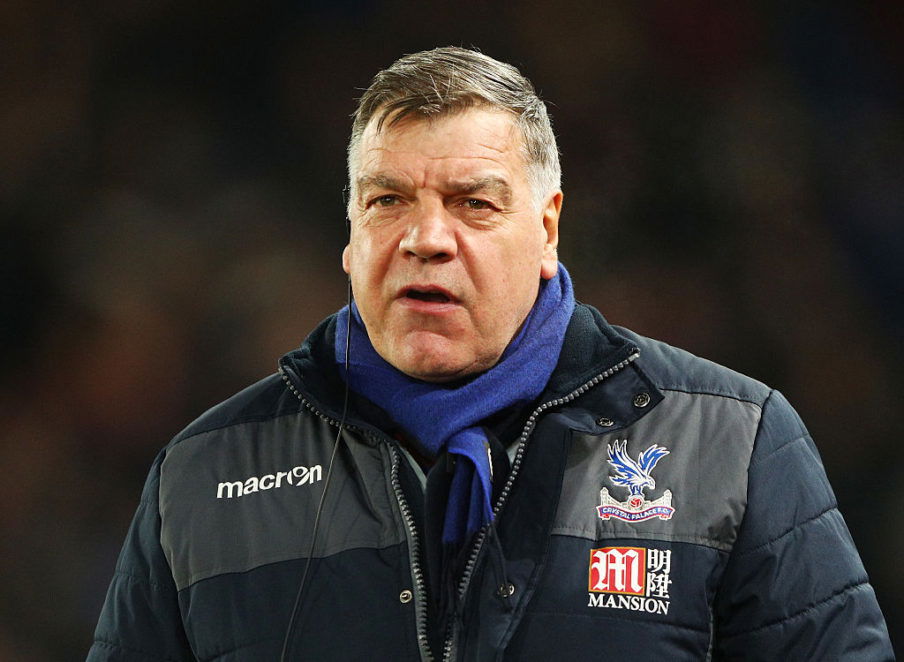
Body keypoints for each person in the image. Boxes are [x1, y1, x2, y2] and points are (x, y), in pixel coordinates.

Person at [87, 47, 893, 661]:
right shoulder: (201, 475)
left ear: (546, 229)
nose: (425, 239)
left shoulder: (732, 443)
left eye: (473, 204)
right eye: (387, 201)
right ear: (350, 232)